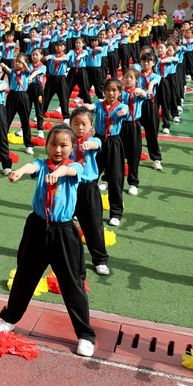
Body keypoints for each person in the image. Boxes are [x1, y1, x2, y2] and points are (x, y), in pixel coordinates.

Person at [0, 124, 96, 358]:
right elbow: (33, 165)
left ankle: (85, 335)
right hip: (37, 228)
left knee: (72, 284)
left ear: (72, 147)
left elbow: (70, 172)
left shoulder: (76, 166)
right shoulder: (42, 165)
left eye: (64, 145)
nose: (58, 149)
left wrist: (59, 172)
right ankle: (9, 318)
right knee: (25, 275)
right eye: (53, 144)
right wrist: (20, 171)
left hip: (64, 233)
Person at [69, 107, 110, 276]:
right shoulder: (67, 141)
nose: (79, 127)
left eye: (83, 124)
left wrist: (89, 144)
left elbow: (97, 144)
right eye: (76, 123)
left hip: (88, 189)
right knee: (60, 222)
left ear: (91, 126)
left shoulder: (94, 141)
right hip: (69, 187)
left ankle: (100, 259)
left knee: (93, 226)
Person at [88, 79, 129, 227]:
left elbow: (125, 111)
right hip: (98, 142)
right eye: (108, 90)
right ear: (104, 91)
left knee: (115, 179)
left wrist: (123, 112)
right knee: (90, 176)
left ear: (119, 92)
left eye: (114, 90)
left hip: (114, 143)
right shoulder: (99, 105)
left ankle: (116, 213)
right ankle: (83, 208)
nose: (111, 93)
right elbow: (91, 106)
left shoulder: (122, 106)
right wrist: (86, 106)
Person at [119, 68, 146, 197]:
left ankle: (133, 183)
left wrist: (140, 91)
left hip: (134, 126)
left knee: (134, 155)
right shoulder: (119, 93)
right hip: (120, 125)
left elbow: (144, 95)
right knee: (116, 154)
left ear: (136, 80)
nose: (128, 79)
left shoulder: (137, 93)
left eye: (131, 77)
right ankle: (108, 180)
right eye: (126, 77)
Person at [2, 53, 34, 155]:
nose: (17, 63)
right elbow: (7, 70)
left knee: (25, 121)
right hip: (12, 96)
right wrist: (4, 66)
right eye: (16, 61)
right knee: (7, 119)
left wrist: (24, 63)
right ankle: (1, 142)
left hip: (23, 96)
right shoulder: (13, 72)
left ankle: (28, 145)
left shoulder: (26, 73)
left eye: (20, 62)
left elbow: (28, 70)